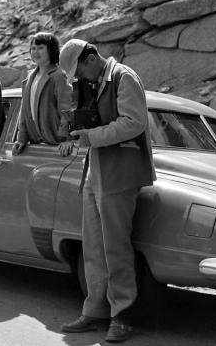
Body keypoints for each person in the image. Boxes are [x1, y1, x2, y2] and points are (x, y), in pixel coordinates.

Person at [59, 39, 155, 343]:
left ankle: (123, 315)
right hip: (97, 170)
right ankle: (96, 310)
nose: (80, 79)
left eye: (79, 72)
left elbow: (133, 123)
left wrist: (91, 135)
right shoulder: (96, 81)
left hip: (120, 173)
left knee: (115, 248)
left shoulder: (124, 77)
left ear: (90, 58)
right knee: (94, 247)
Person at [12, 32, 74, 157]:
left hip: (56, 143)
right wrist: (21, 138)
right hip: (37, 143)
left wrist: (66, 138)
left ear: (51, 50)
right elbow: (24, 112)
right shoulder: (30, 78)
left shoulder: (58, 75)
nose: (35, 52)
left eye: (40, 48)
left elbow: (66, 109)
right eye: (33, 48)